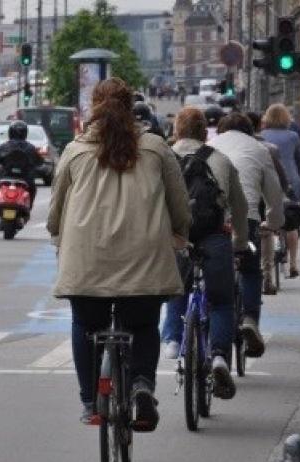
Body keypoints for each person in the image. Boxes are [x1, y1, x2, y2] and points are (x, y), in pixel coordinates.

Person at [47, 77, 191, 428]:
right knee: (142, 324)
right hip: (144, 260)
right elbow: (180, 208)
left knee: (85, 324)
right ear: (132, 107)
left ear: (92, 108)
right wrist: (179, 235)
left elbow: (54, 214)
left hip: (87, 261)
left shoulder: (75, 150)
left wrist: (59, 237)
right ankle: (142, 384)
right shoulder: (156, 147)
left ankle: (89, 402)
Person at [161, 107, 249, 400]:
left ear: (177, 131)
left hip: (177, 238)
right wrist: (240, 241)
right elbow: (240, 207)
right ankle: (221, 355)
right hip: (214, 237)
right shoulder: (220, 160)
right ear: (204, 133)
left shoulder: (164, 158)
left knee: (176, 288)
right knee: (221, 301)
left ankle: (173, 339)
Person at [208, 113, 284, 357]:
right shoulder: (259, 150)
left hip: (214, 218)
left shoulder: (210, 147)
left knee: (214, 273)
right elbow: (274, 194)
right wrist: (272, 223)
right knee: (251, 269)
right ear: (250, 130)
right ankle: (250, 318)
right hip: (248, 216)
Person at [247, 111, 292, 294]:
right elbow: (279, 178)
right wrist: (285, 190)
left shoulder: (228, 148)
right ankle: (267, 278)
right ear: (259, 126)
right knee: (265, 233)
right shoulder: (269, 149)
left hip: (243, 199)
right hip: (262, 198)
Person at [261, 104, 300, 279]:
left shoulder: (262, 136)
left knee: (268, 221)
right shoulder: (293, 136)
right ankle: (293, 264)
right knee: (291, 223)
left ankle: (268, 261)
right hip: (291, 182)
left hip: (268, 181)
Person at [0, 120, 42, 207]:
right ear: (25, 133)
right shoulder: (30, 147)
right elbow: (39, 161)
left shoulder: (4, 146)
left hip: (6, 175)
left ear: (10, 132)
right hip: (24, 176)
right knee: (32, 187)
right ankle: (29, 206)